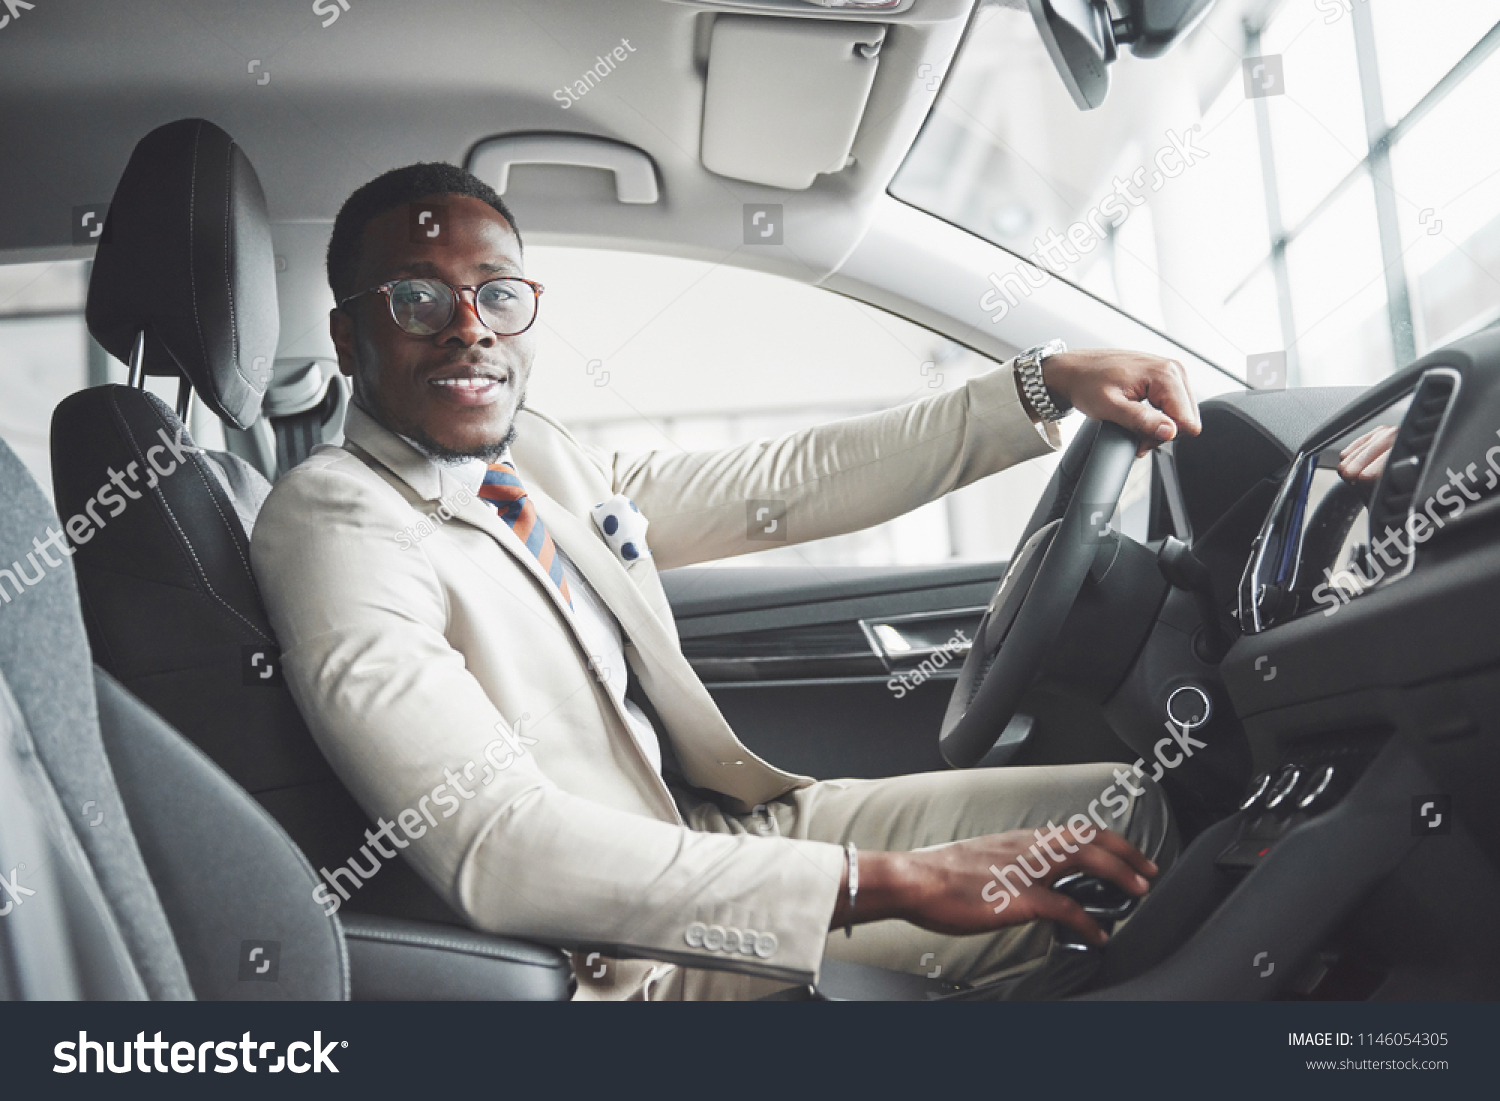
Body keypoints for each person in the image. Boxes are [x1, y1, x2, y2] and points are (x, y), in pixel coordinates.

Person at [249, 163, 1200, 1000]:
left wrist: (1038, 385)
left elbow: (778, 485)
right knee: (1081, 897)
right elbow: (498, 844)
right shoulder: (337, 521)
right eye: (418, 298)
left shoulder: (529, 454)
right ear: (347, 334)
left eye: (497, 294)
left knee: (1125, 814)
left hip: (708, 833)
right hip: (624, 956)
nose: (469, 330)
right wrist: (888, 882)